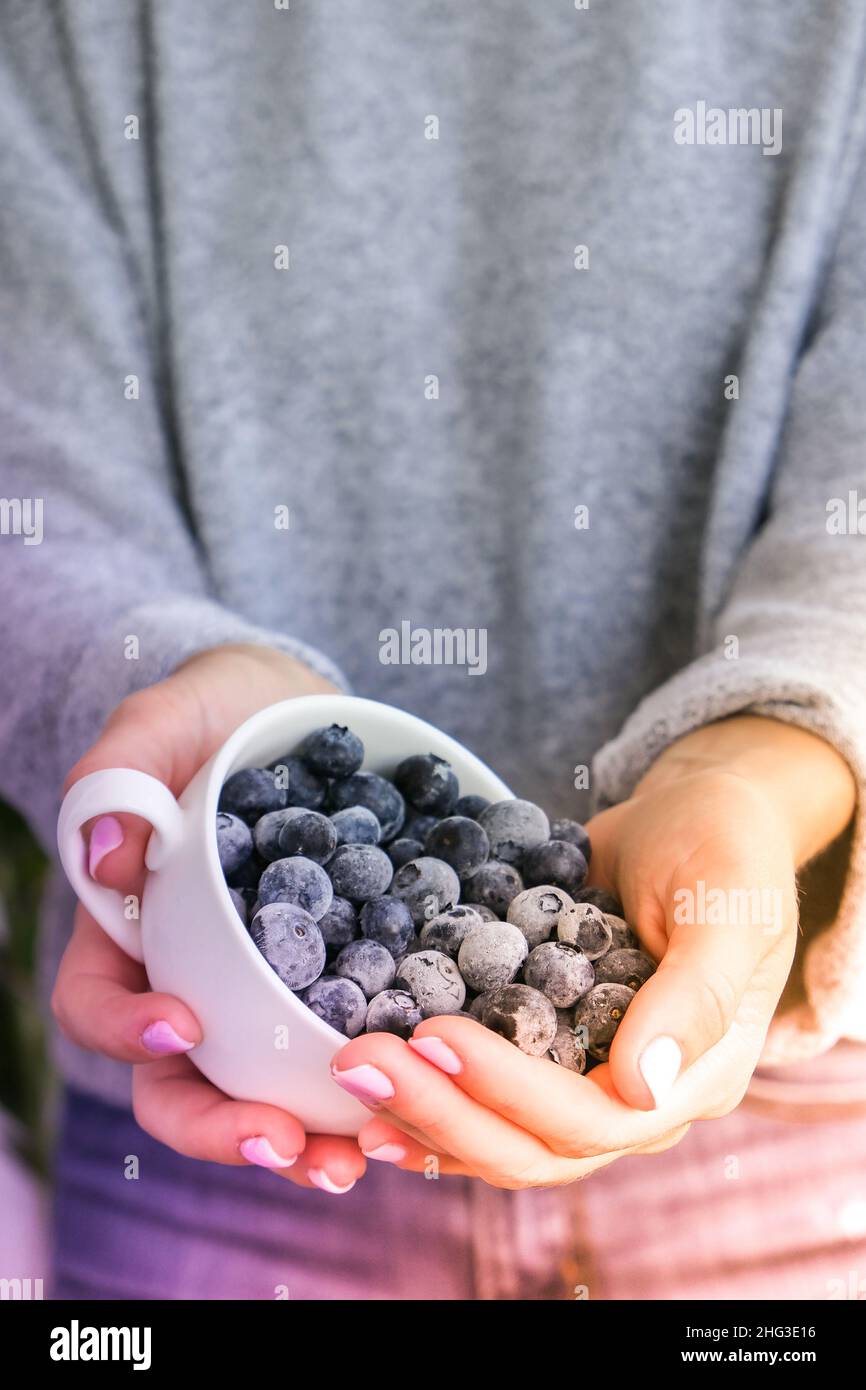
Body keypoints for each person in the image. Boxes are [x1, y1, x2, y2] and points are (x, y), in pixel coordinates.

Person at [1, 2, 865, 1300]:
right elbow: (30, 482)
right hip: (223, 1124)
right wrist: (163, 689)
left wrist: (764, 763)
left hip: (790, 1146)